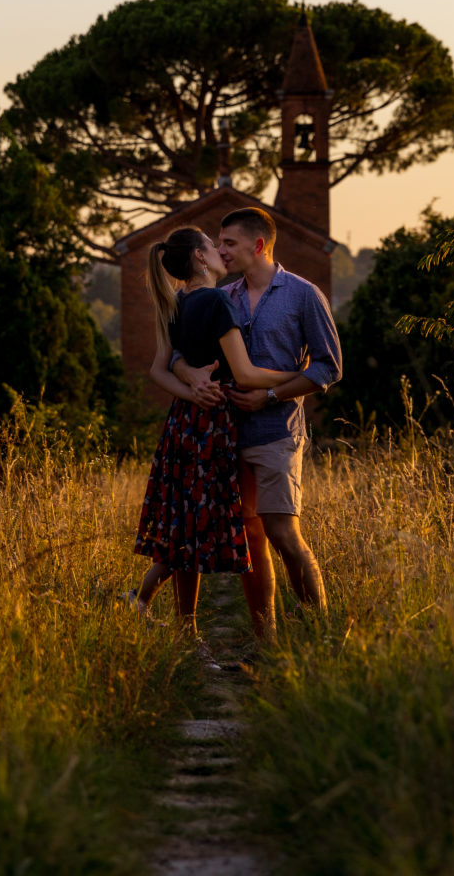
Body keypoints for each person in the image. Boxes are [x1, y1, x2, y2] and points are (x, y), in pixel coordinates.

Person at [131, 226, 300, 636]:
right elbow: (242, 372)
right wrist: (299, 376)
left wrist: (190, 392)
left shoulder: (177, 303)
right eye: (212, 244)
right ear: (200, 258)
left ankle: (173, 623)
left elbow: (158, 369)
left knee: (185, 521)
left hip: (182, 424)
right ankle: (140, 600)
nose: (220, 251)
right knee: (199, 524)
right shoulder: (216, 302)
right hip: (213, 427)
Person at [179, 207, 341, 632]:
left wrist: (270, 394)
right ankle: (264, 640)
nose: (220, 250)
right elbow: (182, 357)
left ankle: (318, 632)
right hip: (227, 435)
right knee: (250, 539)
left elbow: (328, 367)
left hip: (276, 432)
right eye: (218, 243)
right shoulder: (223, 297)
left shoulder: (303, 295)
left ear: (258, 245)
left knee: (283, 534)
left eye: (228, 243)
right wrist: (194, 379)